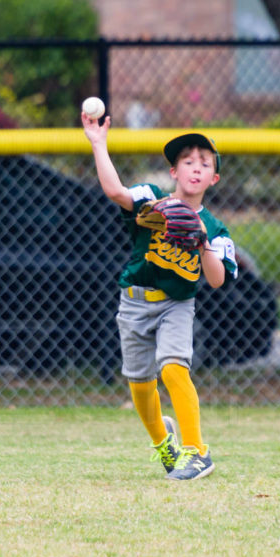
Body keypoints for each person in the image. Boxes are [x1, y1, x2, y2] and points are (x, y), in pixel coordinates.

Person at [82, 113, 237, 481]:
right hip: (134, 302)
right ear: (173, 172)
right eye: (187, 162)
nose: (195, 169)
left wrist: (201, 241)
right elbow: (115, 192)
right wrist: (98, 143)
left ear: (213, 178)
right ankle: (163, 442)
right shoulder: (152, 200)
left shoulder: (215, 228)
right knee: (139, 383)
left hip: (176, 305)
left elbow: (216, 280)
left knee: (173, 366)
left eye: (204, 164)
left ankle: (197, 451)